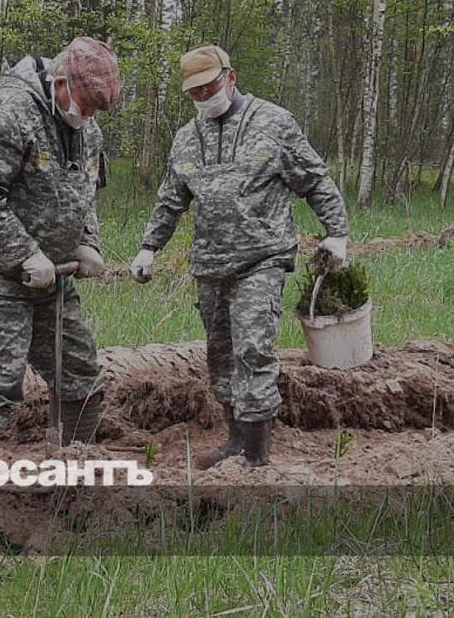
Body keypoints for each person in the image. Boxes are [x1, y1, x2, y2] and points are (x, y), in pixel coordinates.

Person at [129, 44, 349, 469]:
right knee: (221, 354)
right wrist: (148, 247)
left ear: (231, 77)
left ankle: (256, 454)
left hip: (262, 258)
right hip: (211, 264)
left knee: (253, 347)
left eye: (209, 87)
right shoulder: (186, 139)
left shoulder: (273, 123)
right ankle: (234, 440)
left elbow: (315, 180)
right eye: (194, 92)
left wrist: (337, 233)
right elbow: (171, 200)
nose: (203, 97)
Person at [0, 37, 122, 462]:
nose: (89, 115)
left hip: (53, 277)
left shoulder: (86, 127)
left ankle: (69, 473)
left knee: (80, 374)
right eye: (86, 104)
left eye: (97, 109)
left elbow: (84, 191)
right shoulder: (7, 113)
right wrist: (24, 253)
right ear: (61, 82)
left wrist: (87, 241)